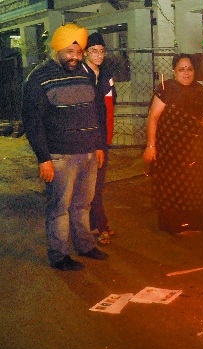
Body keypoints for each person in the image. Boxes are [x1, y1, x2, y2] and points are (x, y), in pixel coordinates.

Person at [22, 23, 108, 271]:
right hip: (59, 156)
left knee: (83, 204)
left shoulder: (83, 73)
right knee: (59, 208)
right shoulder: (39, 78)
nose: (75, 57)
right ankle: (59, 255)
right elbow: (33, 121)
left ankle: (85, 245)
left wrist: (98, 146)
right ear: (58, 49)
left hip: (88, 153)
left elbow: (92, 112)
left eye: (79, 52)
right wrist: (43, 158)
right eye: (70, 52)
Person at [142, 54, 203, 234]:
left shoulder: (200, 90)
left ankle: (194, 224)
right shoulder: (166, 89)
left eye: (189, 69)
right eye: (181, 69)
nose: (186, 73)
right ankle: (173, 225)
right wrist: (151, 146)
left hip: (194, 152)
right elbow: (153, 118)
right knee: (172, 189)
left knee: (194, 187)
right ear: (174, 71)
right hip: (170, 152)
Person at [83, 32, 117, 246]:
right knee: (87, 186)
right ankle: (96, 225)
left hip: (103, 138)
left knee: (97, 184)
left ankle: (96, 224)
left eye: (101, 51)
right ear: (86, 52)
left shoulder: (105, 75)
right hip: (86, 139)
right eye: (94, 51)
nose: (98, 55)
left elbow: (112, 105)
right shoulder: (81, 75)